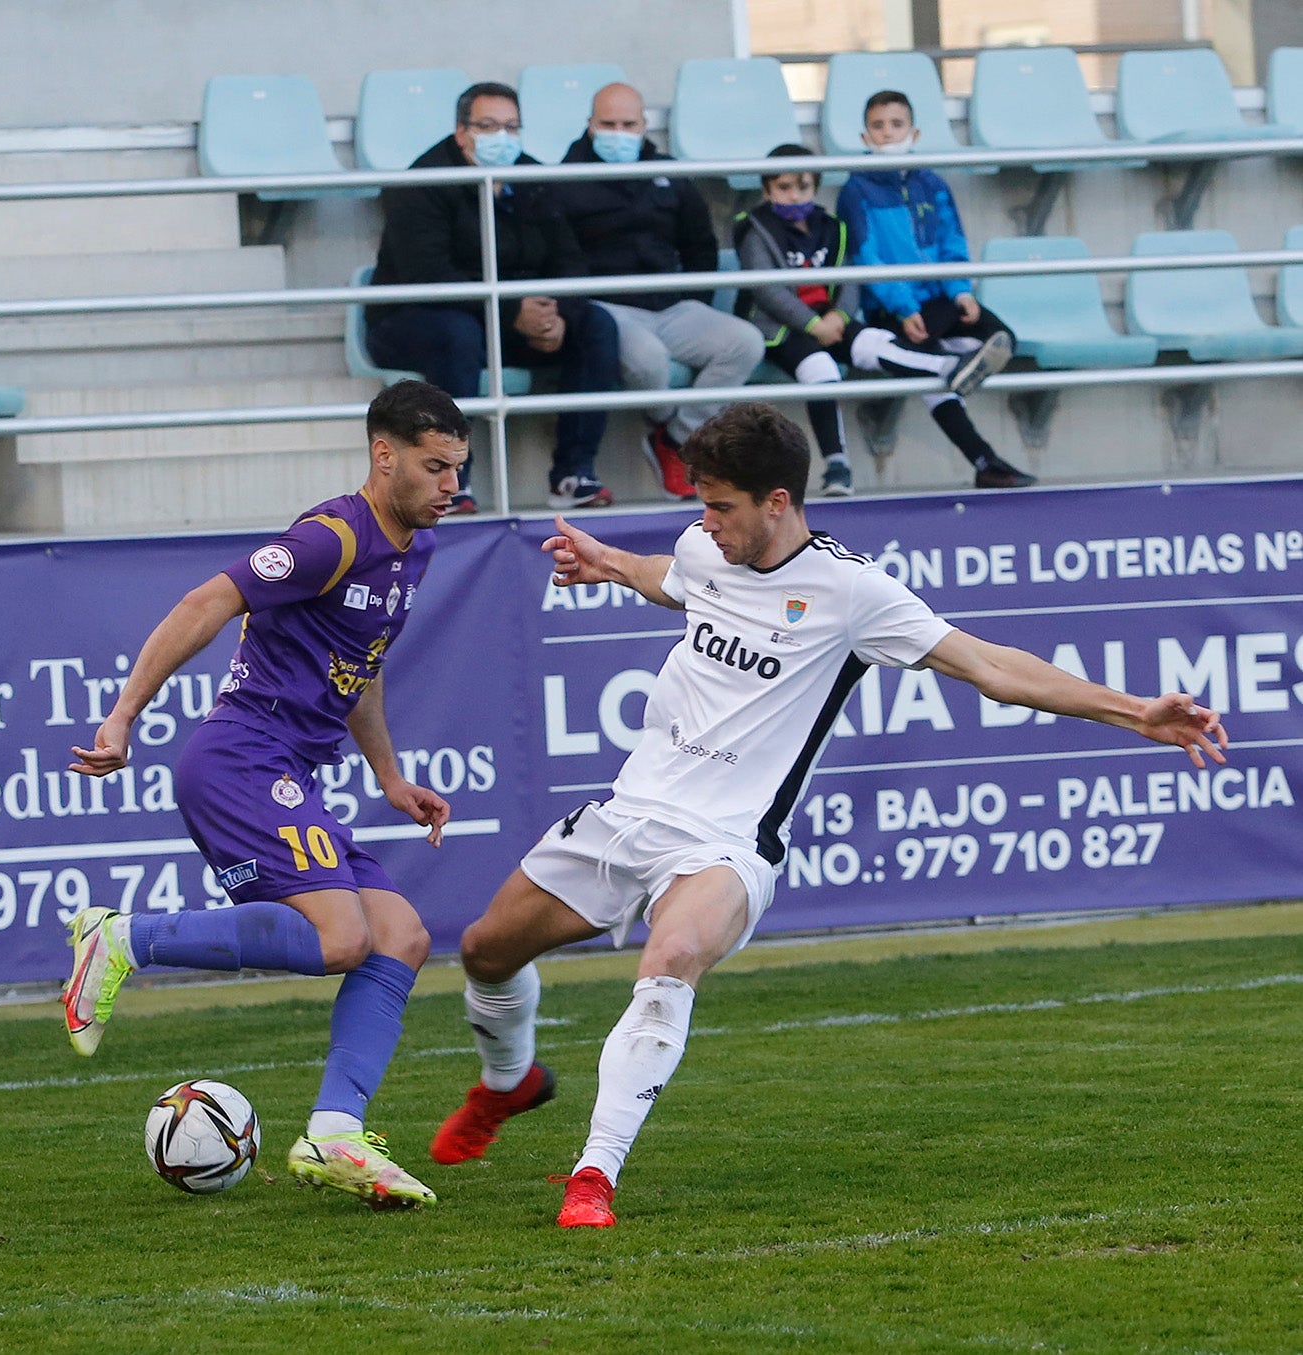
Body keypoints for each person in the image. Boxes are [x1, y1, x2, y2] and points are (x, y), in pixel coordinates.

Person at [426, 402, 1228, 1229]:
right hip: (632, 810)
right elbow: (674, 575)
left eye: (723, 506)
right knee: (486, 950)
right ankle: (508, 1081)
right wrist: (611, 561)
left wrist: (1137, 712)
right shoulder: (709, 547)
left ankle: (594, 1173)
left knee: (671, 959)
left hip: (727, 843)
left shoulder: (853, 592)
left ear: (779, 501)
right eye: (702, 505)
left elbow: (990, 665)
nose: (707, 523)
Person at [62, 380, 470, 1211]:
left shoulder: (415, 549)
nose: (450, 486)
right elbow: (205, 600)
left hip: (290, 769)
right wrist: (122, 715)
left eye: (458, 468)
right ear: (383, 455)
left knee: (401, 934)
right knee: (342, 937)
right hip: (241, 757)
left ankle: (335, 1129)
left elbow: (362, 671)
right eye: (435, 467)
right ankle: (122, 937)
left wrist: (390, 778)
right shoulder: (330, 537)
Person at [365, 82, 621, 514]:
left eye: (511, 127)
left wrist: (556, 314)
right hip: (416, 319)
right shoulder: (423, 182)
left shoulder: (532, 178)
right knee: (457, 333)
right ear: (461, 132)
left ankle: (574, 473)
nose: (501, 138)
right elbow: (429, 276)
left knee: (596, 324)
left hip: (508, 318)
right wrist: (511, 313)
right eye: (487, 126)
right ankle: (451, 480)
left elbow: (570, 260)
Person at [735, 143, 1011, 497]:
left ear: (815, 186)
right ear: (766, 190)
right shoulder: (754, 228)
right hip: (781, 330)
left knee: (872, 342)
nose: (794, 196)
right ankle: (838, 466)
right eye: (783, 188)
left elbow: (849, 278)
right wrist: (813, 325)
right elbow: (768, 292)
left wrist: (839, 315)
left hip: (831, 319)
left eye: (803, 187)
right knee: (821, 369)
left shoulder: (831, 225)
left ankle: (949, 367)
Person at [553, 82, 765, 502]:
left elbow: (699, 244)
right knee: (650, 363)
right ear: (590, 125)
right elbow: (558, 256)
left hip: (671, 305)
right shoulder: (563, 178)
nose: (618, 132)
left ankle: (679, 439)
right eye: (607, 124)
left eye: (628, 124)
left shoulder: (670, 173)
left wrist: (694, 300)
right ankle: (673, 433)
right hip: (608, 309)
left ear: (644, 124)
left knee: (745, 342)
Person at [835, 93, 1037, 490]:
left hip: (942, 302)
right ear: (865, 135)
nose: (888, 134)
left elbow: (953, 243)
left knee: (1002, 338)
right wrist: (903, 305)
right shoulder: (855, 190)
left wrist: (962, 292)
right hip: (895, 309)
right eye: (878, 126)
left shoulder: (933, 184)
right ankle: (985, 459)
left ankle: (950, 370)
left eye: (896, 125)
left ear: (915, 132)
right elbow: (866, 258)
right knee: (934, 373)